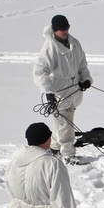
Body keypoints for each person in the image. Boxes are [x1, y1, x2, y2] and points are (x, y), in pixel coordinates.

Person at [33, 14, 92, 164]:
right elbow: (40, 72)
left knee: (62, 121)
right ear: (54, 30)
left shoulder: (75, 44)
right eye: (61, 29)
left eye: (66, 28)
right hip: (59, 90)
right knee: (65, 123)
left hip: (74, 88)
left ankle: (54, 148)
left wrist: (85, 79)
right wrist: (49, 92)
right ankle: (68, 155)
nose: (65, 32)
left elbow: (82, 65)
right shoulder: (50, 47)